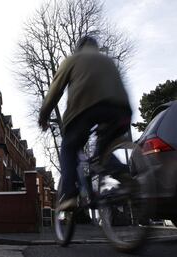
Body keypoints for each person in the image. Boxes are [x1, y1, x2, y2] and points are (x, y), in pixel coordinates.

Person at [38, 36, 132, 211]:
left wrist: (44, 115)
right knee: (102, 149)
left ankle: (69, 195)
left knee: (69, 147)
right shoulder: (107, 61)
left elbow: (55, 90)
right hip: (121, 111)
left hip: (85, 109)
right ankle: (123, 174)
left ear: (78, 48)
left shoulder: (72, 60)